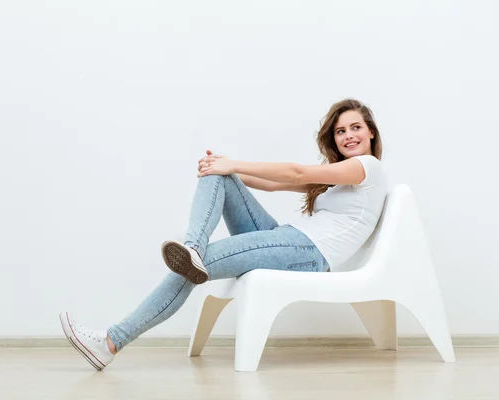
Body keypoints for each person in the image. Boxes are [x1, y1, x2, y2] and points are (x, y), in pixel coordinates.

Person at [59, 98, 388, 371]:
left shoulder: (366, 167)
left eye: (355, 128)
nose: (347, 136)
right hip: (288, 239)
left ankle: (111, 342)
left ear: (370, 132)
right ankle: (192, 249)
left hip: (307, 252)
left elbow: (297, 171)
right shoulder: (338, 176)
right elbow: (276, 183)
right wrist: (222, 166)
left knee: (201, 252)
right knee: (217, 177)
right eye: (341, 131)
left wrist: (234, 162)